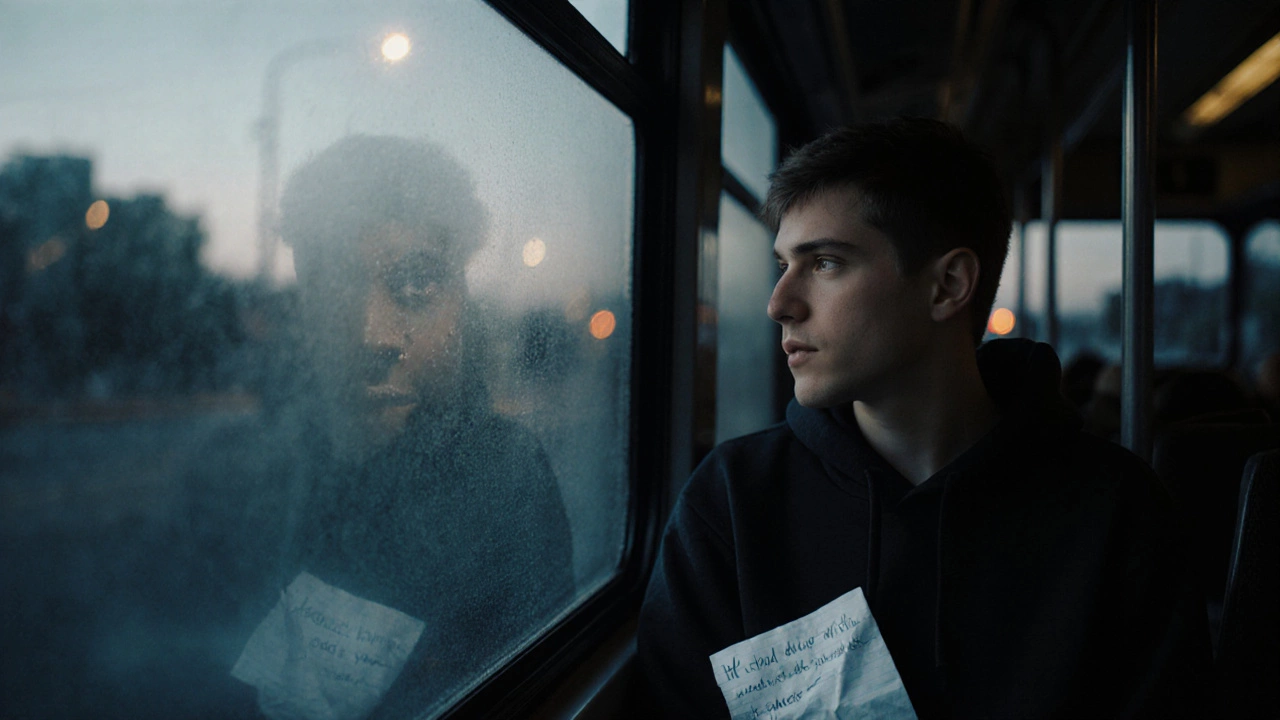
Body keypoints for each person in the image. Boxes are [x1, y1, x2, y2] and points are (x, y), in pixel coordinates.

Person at [637, 119, 1212, 717]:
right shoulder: (734, 500)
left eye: (826, 263)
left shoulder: (1115, 511)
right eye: (783, 264)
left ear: (948, 285)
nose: (779, 303)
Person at [228, 135, 575, 719]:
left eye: (416, 287)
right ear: (303, 300)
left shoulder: (505, 478)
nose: (374, 336)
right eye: (335, 286)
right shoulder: (247, 471)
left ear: (461, 303)